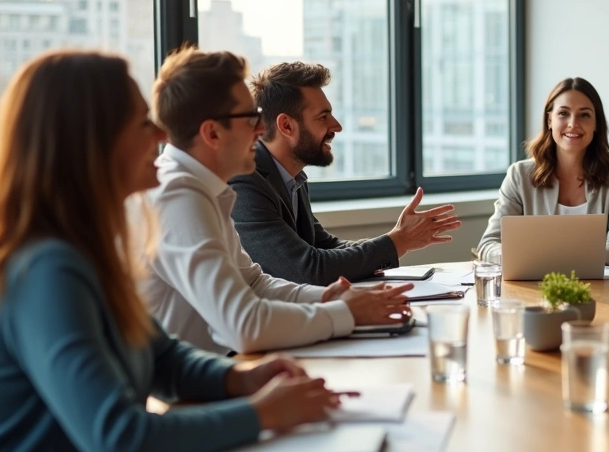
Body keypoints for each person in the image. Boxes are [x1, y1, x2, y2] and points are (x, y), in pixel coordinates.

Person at [0, 51, 344, 452]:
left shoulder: (86, 245)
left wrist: (240, 378)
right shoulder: (45, 268)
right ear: (90, 142)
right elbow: (120, 440)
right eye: (142, 123)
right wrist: (261, 415)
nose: (162, 136)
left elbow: (161, 355)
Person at [140, 47, 412, 355]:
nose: (261, 129)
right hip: (184, 390)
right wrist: (345, 313)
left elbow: (255, 284)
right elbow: (243, 326)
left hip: (211, 371)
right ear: (212, 133)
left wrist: (328, 299)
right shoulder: (177, 194)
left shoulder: (204, 188)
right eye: (250, 119)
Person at [230, 62, 461, 286]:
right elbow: (307, 269)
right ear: (286, 126)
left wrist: (398, 238)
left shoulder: (290, 177)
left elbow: (325, 246)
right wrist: (398, 241)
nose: (337, 126)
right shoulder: (245, 180)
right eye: (323, 117)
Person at [477, 77, 609, 265]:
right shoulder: (519, 175)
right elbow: (488, 245)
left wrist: (547, 258)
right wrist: (541, 258)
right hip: (535, 290)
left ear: (596, 123)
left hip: (604, 290)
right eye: (563, 113)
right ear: (549, 120)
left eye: (584, 115)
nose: (573, 124)